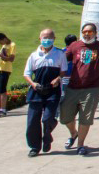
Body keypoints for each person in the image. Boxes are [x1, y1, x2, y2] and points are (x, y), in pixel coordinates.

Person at [59, 22, 99, 155]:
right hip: (73, 86)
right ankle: (73, 133)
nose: (87, 34)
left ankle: (80, 144)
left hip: (92, 88)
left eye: (90, 32)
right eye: (84, 32)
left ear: (95, 33)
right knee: (65, 116)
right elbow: (62, 60)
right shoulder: (75, 45)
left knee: (86, 118)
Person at [22, 28, 66, 157]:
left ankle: (47, 137)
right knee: (33, 121)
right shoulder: (34, 55)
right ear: (40, 38)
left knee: (48, 118)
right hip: (37, 90)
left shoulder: (59, 54)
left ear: (54, 39)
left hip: (52, 90)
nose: (47, 40)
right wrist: (33, 83)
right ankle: (35, 146)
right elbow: (27, 73)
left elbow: (63, 70)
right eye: (44, 37)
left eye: (50, 37)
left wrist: (58, 78)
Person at [0, 32, 17, 117]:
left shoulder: (12, 45)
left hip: (6, 69)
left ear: (4, 38)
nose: (0, 43)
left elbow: (11, 59)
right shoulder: (4, 46)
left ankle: (3, 109)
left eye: (0, 41)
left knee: (2, 89)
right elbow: (2, 57)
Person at [59, 34, 78, 101]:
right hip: (73, 79)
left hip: (63, 78)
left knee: (63, 97)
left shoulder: (60, 52)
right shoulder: (77, 52)